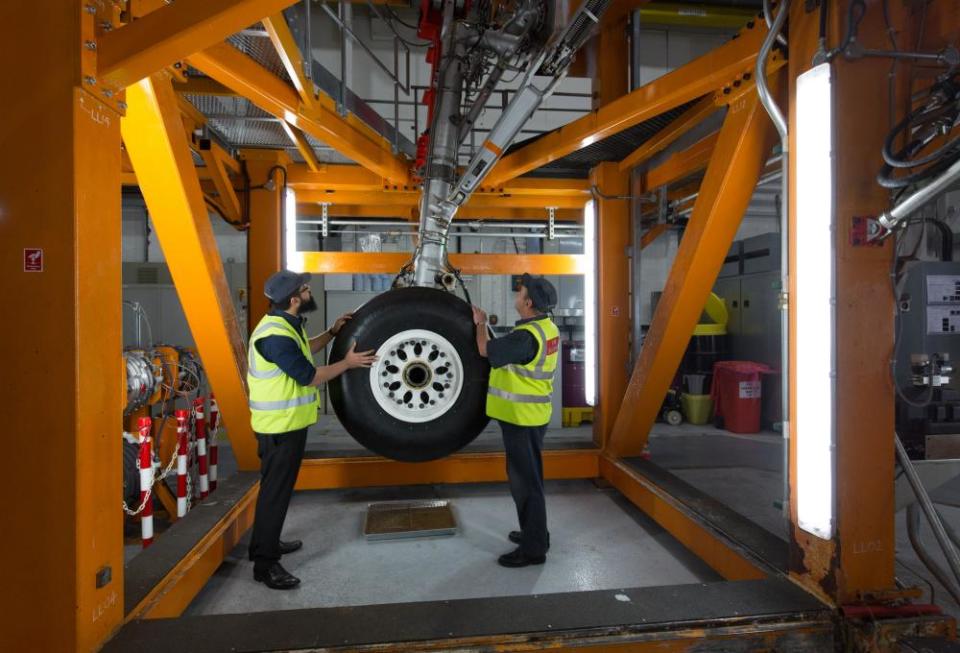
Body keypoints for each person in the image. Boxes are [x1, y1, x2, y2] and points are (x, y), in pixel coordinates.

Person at [247, 270, 377, 589]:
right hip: (279, 428)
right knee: (274, 495)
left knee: (277, 491)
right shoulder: (275, 336)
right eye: (305, 290)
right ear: (294, 300)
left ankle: (268, 543)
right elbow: (309, 376)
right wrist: (347, 363)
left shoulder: (287, 326)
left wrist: (332, 334)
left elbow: (305, 352)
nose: (308, 293)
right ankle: (265, 565)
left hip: (289, 425)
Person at [472, 273, 559, 568]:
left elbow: (486, 350)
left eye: (520, 292)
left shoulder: (526, 337)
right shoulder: (545, 328)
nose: (516, 295)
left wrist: (481, 323)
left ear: (529, 302)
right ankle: (536, 535)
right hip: (532, 416)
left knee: (526, 484)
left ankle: (534, 550)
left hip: (522, 419)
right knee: (529, 479)